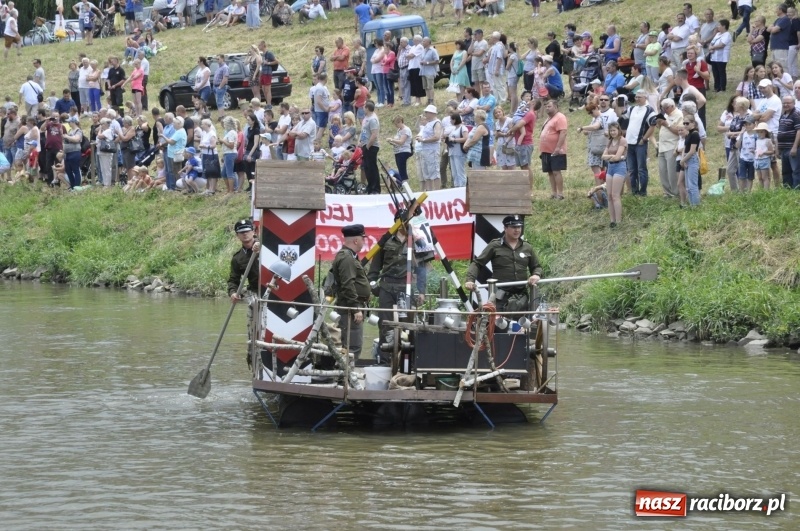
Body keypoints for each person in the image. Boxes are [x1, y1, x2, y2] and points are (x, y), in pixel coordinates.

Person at [464, 215, 542, 312]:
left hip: (522, 298)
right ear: (505, 228)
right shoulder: (495, 245)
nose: (517, 230)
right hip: (500, 298)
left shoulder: (527, 247)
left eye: (519, 227)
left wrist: (536, 275)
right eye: (513, 227)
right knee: (499, 326)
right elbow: (477, 263)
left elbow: (536, 266)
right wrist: (470, 280)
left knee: (523, 325)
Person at [330, 224, 371, 356]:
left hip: (351, 307)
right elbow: (348, 284)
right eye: (362, 238)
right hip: (350, 309)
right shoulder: (347, 258)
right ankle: (346, 376)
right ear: (356, 240)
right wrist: (356, 308)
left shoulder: (349, 256)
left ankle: (346, 375)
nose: (363, 242)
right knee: (352, 347)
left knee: (351, 346)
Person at [626, 92, 656, 196]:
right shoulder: (632, 109)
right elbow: (621, 114)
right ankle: (634, 190)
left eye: (639, 97)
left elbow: (653, 125)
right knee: (632, 169)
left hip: (640, 143)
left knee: (641, 168)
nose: (637, 99)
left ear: (645, 97)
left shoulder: (649, 110)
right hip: (629, 142)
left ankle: (643, 191)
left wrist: (644, 138)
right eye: (636, 97)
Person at [540, 99, 568, 199]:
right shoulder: (548, 118)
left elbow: (563, 133)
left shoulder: (560, 117)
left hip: (556, 150)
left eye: (549, 106)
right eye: (546, 106)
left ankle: (560, 193)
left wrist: (558, 147)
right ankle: (554, 192)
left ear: (555, 107)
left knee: (556, 171)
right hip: (546, 150)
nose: (547, 108)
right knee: (550, 172)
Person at [602, 122, 627, 228]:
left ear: (618, 130)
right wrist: (613, 156)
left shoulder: (622, 140)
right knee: (610, 195)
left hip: (619, 167)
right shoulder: (610, 141)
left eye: (614, 130)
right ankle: (612, 220)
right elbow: (603, 156)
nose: (612, 132)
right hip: (610, 167)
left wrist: (612, 156)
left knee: (616, 195)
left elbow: (617, 158)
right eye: (611, 130)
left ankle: (618, 220)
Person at [657, 99, 683, 197]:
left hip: (672, 145)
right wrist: (660, 123)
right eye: (663, 108)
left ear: (673, 106)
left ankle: (675, 192)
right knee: (662, 170)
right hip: (662, 146)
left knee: (671, 171)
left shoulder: (679, 115)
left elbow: (680, 131)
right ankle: (667, 192)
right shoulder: (666, 115)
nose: (665, 110)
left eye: (666, 108)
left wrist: (667, 125)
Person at [777, 95, 800, 188]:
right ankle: (787, 191)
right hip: (784, 148)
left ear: (794, 103)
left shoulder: (796, 114)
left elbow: (799, 131)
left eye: (788, 103)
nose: (786, 104)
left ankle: (796, 191)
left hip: (792, 148)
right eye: (784, 103)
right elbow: (779, 132)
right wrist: (777, 148)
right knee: (786, 171)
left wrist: (795, 147)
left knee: (796, 170)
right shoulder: (783, 115)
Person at [680, 115, 703, 205]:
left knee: (693, 184)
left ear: (693, 123)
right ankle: (691, 203)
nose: (685, 125)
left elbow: (692, 151)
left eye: (687, 123)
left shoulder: (695, 134)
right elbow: (684, 148)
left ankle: (695, 205)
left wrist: (683, 160)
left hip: (692, 159)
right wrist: (683, 159)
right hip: (686, 158)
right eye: (684, 123)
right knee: (688, 185)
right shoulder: (688, 134)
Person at [359, 101, 380, 193]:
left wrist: (368, 145)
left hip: (371, 146)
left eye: (364, 107)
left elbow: (374, 134)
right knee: (366, 167)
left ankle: (375, 188)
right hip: (364, 144)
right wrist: (360, 141)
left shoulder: (373, 119)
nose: (363, 108)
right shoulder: (365, 118)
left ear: (367, 108)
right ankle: (370, 186)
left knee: (372, 167)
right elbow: (363, 131)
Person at [387, 114, 412, 183]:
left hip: (403, 151)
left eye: (396, 124)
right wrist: (392, 143)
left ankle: (405, 184)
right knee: (400, 169)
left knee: (402, 169)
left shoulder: (406, 130)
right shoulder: (399, 130)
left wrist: (392, 140)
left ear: (400, 122)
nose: (396, 126)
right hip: (398, 151)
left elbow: (401, 142)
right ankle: (403, 183)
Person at [768, 4, 791, 71]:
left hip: (781, 46)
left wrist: (773, 28)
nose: (775, 11)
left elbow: (773, 30)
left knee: (782, 66)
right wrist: (773, 28)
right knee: (774, 67)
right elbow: (768, 29)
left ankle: (786, 81)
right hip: (775, 47)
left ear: (781, 10)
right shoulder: (777, 20)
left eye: (777, 9)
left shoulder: (785, 19)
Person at [258, 40, 278, 108]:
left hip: (267, 73)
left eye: (260, 45)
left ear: (263, 45)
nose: (259, 46)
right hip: (263, 73)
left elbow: (277, 61)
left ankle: (269, 104)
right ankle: (267, 103)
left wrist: (268, 63)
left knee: (267, 89)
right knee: (263, 89)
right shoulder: (262, 54)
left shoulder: (269, 53)